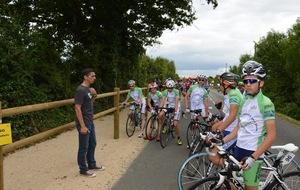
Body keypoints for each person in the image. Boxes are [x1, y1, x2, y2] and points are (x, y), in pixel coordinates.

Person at [221, 60, 276, 190]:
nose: (248, 84)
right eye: (245, 81)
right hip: (238, 149)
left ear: (261, 82)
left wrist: (253, 157)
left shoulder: (266, 103)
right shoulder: (244, 100)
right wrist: (221, 141)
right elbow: (238, 128)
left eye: (252, 81)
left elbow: (272, 136)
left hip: (253, 153)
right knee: (226, 184)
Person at [74, 68, 105, 178]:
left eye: (94, 76)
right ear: (85, 77)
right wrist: (82, 126)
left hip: (90, 121)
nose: (94, 78)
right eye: (92, 76)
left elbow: (89, 103)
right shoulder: (80, 90)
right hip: (84, 123)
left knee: (93, 143)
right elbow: (77, 108)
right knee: (83, 147)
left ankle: (91, 164)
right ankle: (83, 169)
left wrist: (94, 94)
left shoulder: (88, 89)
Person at [212, 72, 242, 152]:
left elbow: (232, 116)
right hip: (230, 127)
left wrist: (218, 130)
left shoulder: (233, 95)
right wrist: (219, 109)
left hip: (233, 129)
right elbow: (227, 115)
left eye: (220, 84)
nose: (219, 86)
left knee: (216, 155)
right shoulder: (230, 94)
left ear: (226, 85)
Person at [157, 79, 183, 145]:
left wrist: (176, 110)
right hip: (169, 105)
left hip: (176, 106)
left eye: (171, 88)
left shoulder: (176, 91)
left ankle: (179, 138)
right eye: (168, 88)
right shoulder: (165, 91)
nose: (170, 89)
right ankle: (165, 123)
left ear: (173, 87)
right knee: (160, 115)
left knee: (175, 124)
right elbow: (162, 101)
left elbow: (177, 101)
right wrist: (159, 108)